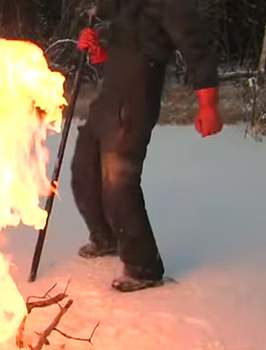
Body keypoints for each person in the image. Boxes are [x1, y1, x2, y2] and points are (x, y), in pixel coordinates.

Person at [71, 0, 223, 292]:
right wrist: (97, 49)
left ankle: (144, 267)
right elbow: (122, 52)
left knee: (118, 180)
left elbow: (199, 50)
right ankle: (105, 238)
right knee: (84, 170)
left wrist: (209, 105)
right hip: (109, 99)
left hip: (135, 101)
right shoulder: (123, 6)